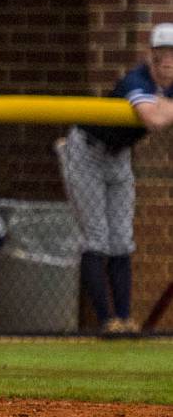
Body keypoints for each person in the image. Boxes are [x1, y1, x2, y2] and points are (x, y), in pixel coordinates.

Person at [57, 23, 173, 336]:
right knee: (97, 237)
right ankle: (107, 321)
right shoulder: (137, 78)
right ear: (151, 56)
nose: (168, 62)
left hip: (119, 156)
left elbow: (162, 114)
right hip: (87, 152)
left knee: (122, 238)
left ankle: (124, 318)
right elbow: (153, 118)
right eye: (162, 55)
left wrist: (165, 106)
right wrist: (164, 107)